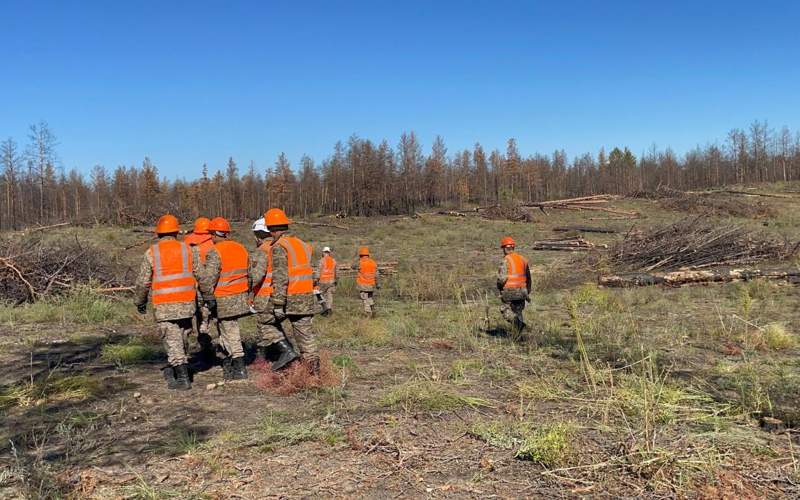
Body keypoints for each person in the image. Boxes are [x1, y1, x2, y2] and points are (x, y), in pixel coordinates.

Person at [134, 214, 204, 390]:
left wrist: (140, 301)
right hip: (188, 304)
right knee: (182, 336)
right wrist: (207, 298)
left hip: (165, 306)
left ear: (158, 234)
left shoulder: (152, 252)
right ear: (176, 232)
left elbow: (143, 282)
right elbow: (201, 276)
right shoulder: (189, 249)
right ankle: (181, 366)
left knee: (172, 340)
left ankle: (182, 378)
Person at [259, 208, 323, 373]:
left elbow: (280, 278)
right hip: (306, 296)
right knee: (305, 336)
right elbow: (313, 272)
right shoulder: (302, 244)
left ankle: (286, 351)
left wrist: (278, 304)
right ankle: (314, 373)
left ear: (270, 228)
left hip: (290, 297)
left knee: (265, 321)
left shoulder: (279, 247)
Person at [196, 216, 249, 380]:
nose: (211, 238)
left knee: (230, 331)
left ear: (215, 234)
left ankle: (240, 368)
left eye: (211, 234)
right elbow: (251, 274)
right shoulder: (241, 248)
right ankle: (230, 364)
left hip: (224, 298)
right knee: (227, 330)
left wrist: (206, 296)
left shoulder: (215, 252)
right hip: (241, 297)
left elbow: (208, 279)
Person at [249, 216, 300, 371]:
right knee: (274, 325)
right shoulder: (276, 246)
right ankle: (271, 356)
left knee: (265, 325)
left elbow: (256, 276)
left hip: (265, 295)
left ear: (257, 235)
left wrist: (245, 283)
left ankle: (287, 351)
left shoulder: (262, 250)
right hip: (280, 293)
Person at [183, 216, 214, 358]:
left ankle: (191, 348)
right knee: (209, 317)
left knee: (194, 318)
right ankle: (208, 348)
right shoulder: (213, 244)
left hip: (189, 288)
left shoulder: (186, 243)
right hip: (207, 286)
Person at [496, 236, 532, 332]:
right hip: (522, 291)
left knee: (505, 310)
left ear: (504, 248)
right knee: (518, 312)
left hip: (509, 291)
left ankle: (520, 325)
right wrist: (527, 291)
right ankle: (520, 336)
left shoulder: (505, 260)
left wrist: (499, 288)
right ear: (513, 247)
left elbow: (502, 278)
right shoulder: (523, 259)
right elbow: (529, 277)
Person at [353, 246, 379, 317]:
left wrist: (357, 258)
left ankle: (368, 314)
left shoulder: (360, 262)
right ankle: (372, 308)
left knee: (365, 298)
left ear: (360, 255)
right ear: (368, 254)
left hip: (363, 284)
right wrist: (377, 284)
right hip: (371, 284)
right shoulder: (373, 263)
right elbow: (376, 275)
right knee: (369, 297)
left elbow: (352, 266)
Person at [314, 246, 337, 314]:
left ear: (323, 252)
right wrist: (336, 280)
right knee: (329, 296)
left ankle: (323, 310)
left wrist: (315, 280)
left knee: (320, 295)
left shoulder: (321, 261)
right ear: (329, 253)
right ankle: (329, 309)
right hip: (332, 281)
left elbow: (318, 271)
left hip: (322, 281)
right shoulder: (334, 261)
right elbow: (336, 272)